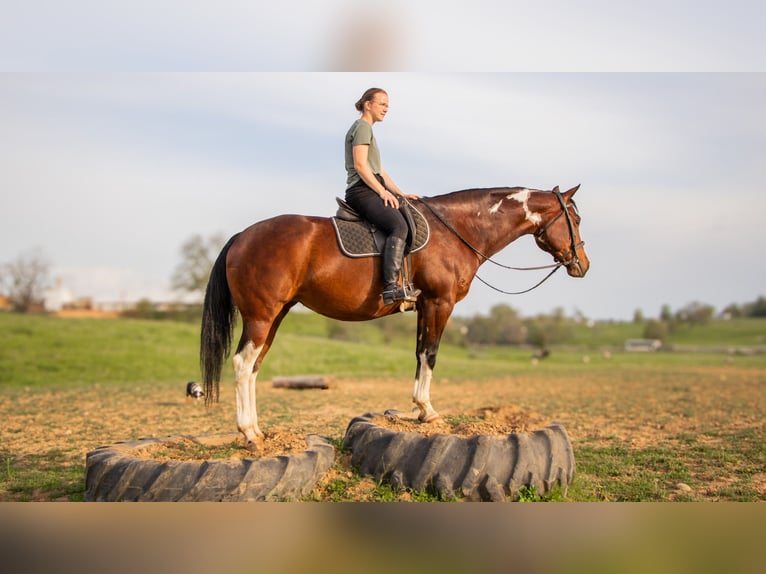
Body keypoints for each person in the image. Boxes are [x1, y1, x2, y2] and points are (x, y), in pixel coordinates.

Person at [344, 87, 421, 305]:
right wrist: (381, 191)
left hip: (370, 187)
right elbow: (360, 166)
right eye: (382, 104)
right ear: (368, 104)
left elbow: (379, 171)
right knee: (399, 227)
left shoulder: (367, 129)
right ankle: (390, 288)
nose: (386, 109)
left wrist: (400, 193)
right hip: (361, 191)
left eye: (387, 105)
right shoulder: (362, 127)